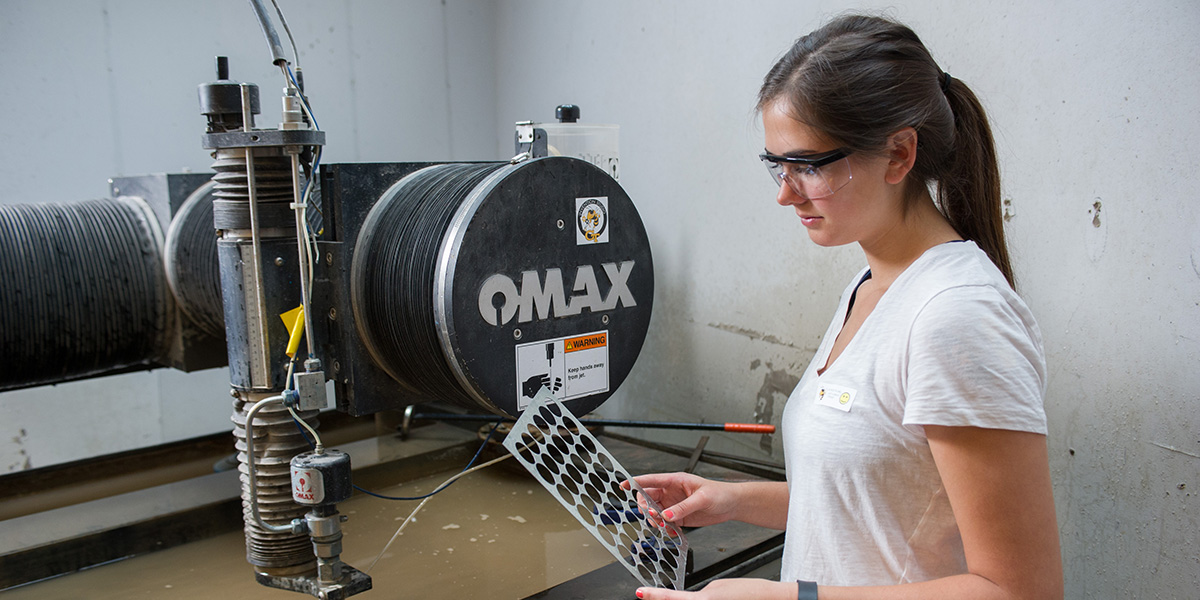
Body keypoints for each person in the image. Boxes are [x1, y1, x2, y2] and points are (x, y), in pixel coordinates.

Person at [627, 14, 1063, 600]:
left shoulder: (957, 317)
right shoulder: (868, 285)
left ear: (899, 154)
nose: (785, 192)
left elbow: (1018, 590)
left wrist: (793, 598)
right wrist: (734, 499)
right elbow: (877, 501)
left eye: (808, 165)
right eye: (776, 165)